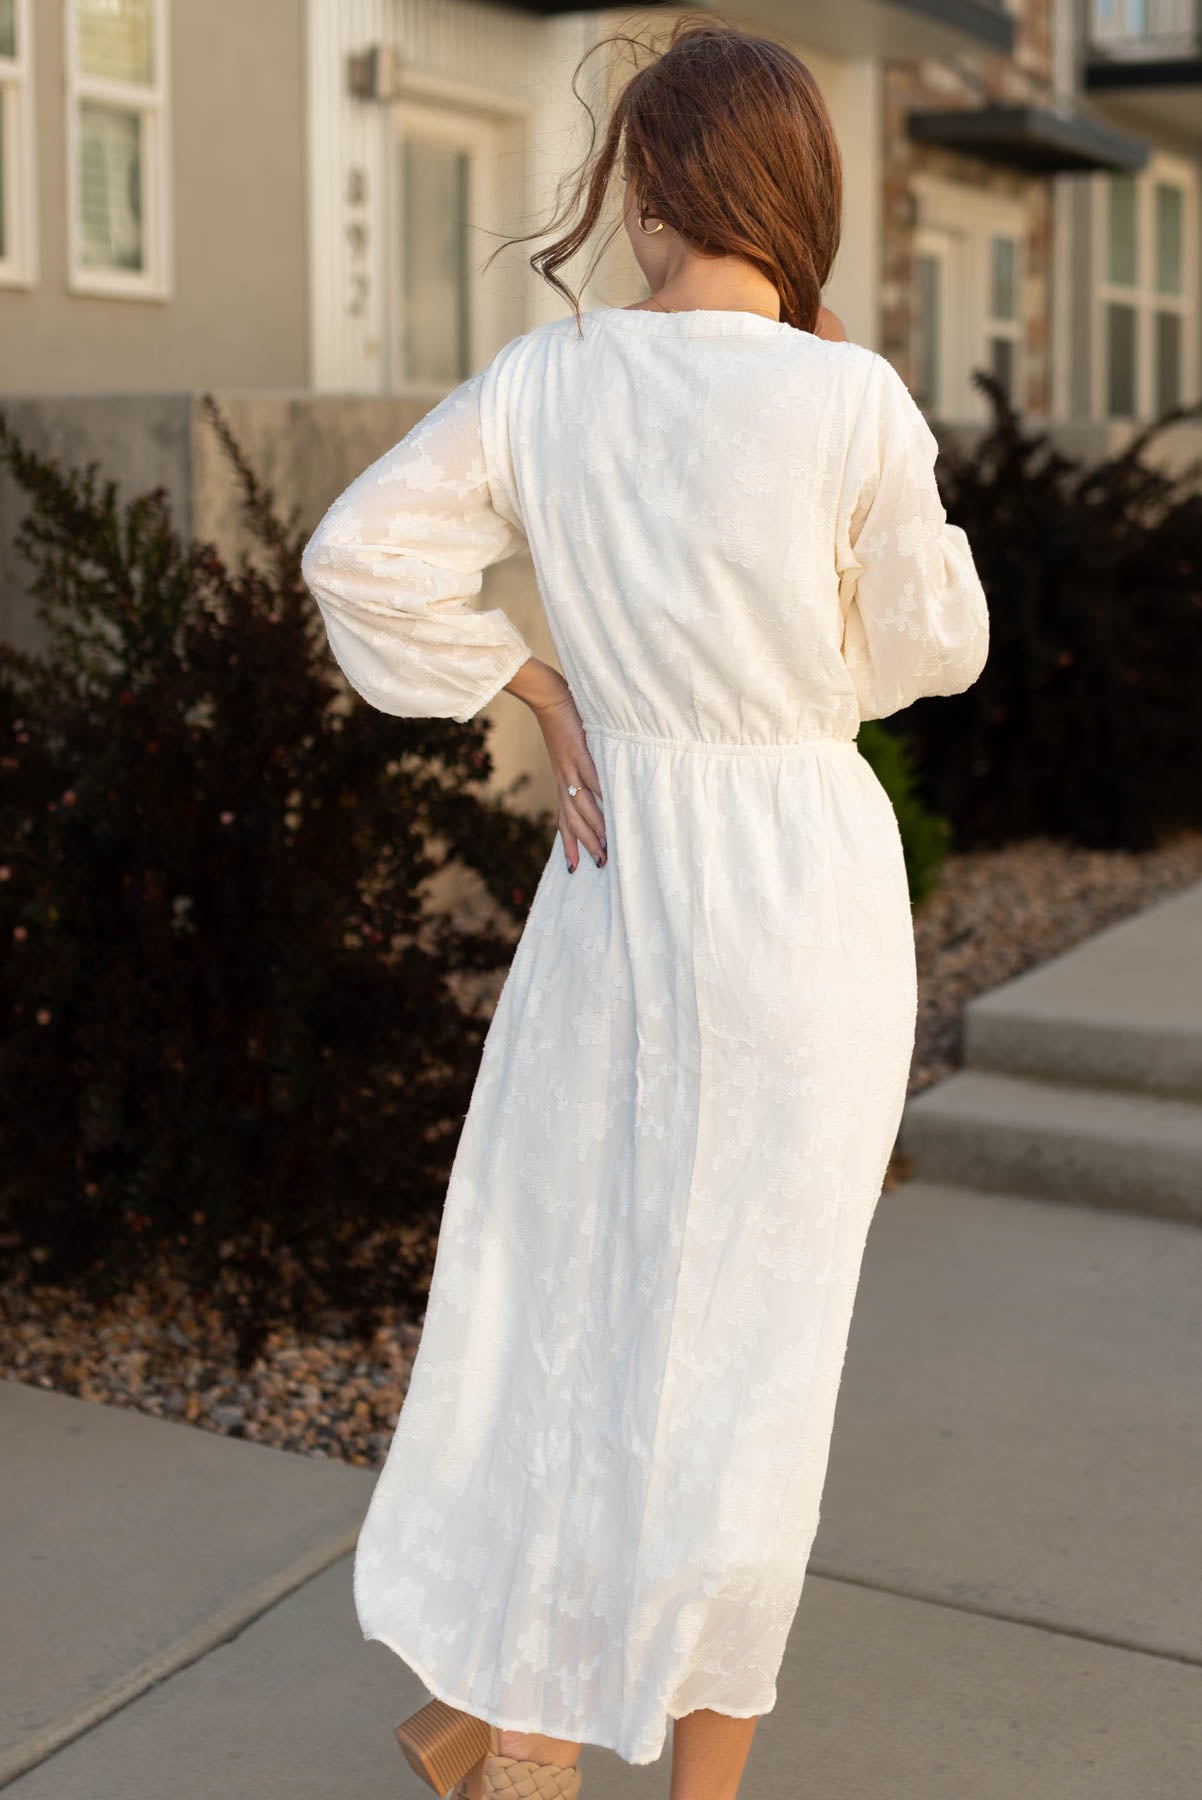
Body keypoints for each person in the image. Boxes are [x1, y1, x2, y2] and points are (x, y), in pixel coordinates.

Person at [300, 17, 989, 1800]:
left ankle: (510, 1736)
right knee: (751, 1360)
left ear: (652, 185)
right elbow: (934, 644)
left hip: (622, 882)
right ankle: (663, 1779)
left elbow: (355, 554)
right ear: (796, 192)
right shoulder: (850, 396)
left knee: (578, 1309)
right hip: (803, 904)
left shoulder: (552, 381)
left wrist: (538, 684)